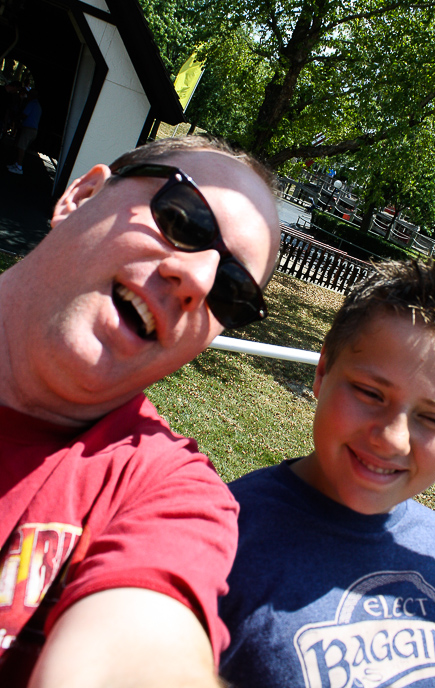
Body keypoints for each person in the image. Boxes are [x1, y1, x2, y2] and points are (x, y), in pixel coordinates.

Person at [0, 135, 281, 687]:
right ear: (79, 196)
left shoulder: (169, 497)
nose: (197, 280)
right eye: (184, 219)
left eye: (230, 288)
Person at [219, 259, 435, 688]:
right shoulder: (223, 540)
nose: (392, 439)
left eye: (432, 418)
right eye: (370, 393)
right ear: (321, 374)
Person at [7, 88, 42, 175]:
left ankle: (19, 167)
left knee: (21, 147)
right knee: (22, 147)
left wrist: (16, 119)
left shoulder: (32, 104)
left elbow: (24, 115)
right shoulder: (38, 105)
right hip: (33, 130)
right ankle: (17, 164)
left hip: (29, 129)